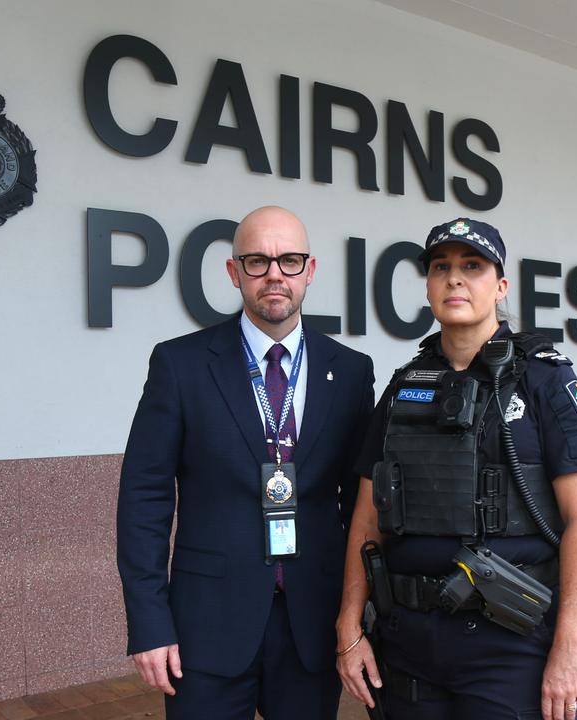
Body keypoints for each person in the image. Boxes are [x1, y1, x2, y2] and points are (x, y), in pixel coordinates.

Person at [335, 218, 577, 720]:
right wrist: (349, 627)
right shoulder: (403, 387)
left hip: (509, 644)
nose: (455, 279)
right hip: (409, 642)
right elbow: (366, 519)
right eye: (441, 267)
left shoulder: (547, 383)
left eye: (473, 267)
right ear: (428, 285)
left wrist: (570, 647)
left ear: (500, 286)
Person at [118, 206, 375, 719]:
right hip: (206, 628)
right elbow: (143, 499)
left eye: (289, 260)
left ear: (311, 271)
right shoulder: (180, 365)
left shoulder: (349, 371)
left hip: (312, 623)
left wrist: (358, 618)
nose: (275, 274)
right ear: (234, 273)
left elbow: (362, 506)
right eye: (257, 261)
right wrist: (149, 623)